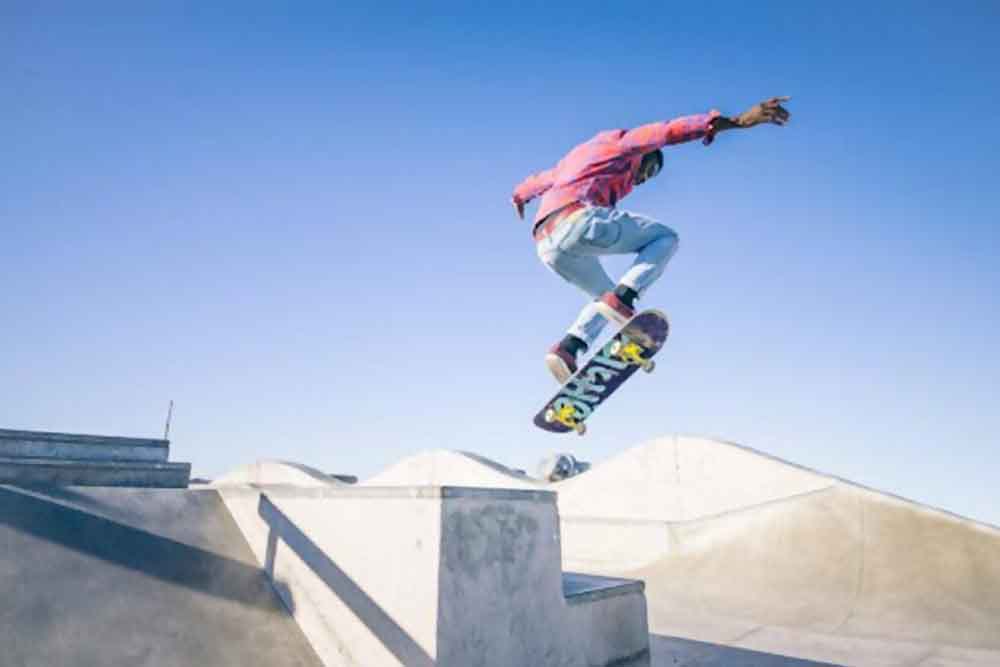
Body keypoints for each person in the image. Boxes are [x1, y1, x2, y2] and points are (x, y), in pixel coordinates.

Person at [512, 96, 792, 383]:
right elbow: (666, 131)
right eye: (649, 169)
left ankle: (569, 348)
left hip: (547, 245)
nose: (644, 179)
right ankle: (625, 298)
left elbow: (538, 181)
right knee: (665, 239)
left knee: (602, 299)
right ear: (642, 155)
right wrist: (734, 122)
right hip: (578, 221)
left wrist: (519, 195)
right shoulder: (621, 143)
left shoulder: (572, 161)